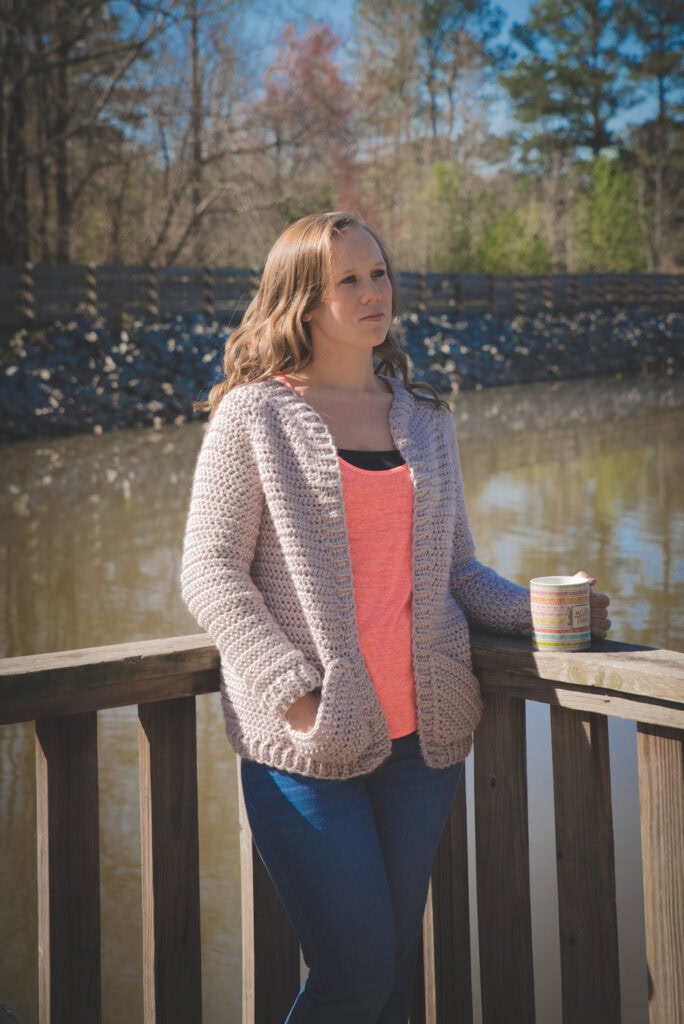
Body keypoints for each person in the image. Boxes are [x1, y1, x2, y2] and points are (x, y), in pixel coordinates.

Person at [180, 211, 611, 1023]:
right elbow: (209, 571)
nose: (373, 292)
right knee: (355, 974)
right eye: (348, 279)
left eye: (378, 274)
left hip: (424, 742)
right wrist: (294, 693)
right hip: (304, 746)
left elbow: (455, 572)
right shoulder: (254, 416)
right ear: (303, 300)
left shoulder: (425, 416)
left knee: (384, 973)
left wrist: (546, 610)